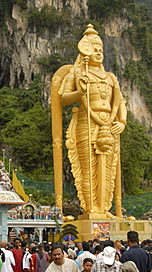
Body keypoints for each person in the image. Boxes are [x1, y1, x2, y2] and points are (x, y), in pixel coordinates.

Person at [52, 24, 127, 216]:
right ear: (85, 52)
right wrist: (80, 91)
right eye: (94, 49)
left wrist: (122, 122)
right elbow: (63, 98)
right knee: (88, 169)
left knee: (109, 168)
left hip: (109, 124)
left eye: (101, 50)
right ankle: (90, 208)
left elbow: (120, 102)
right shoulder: (78, 73)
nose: (99, 53)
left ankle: (105, 208)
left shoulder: (111, 77)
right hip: (87, 121)